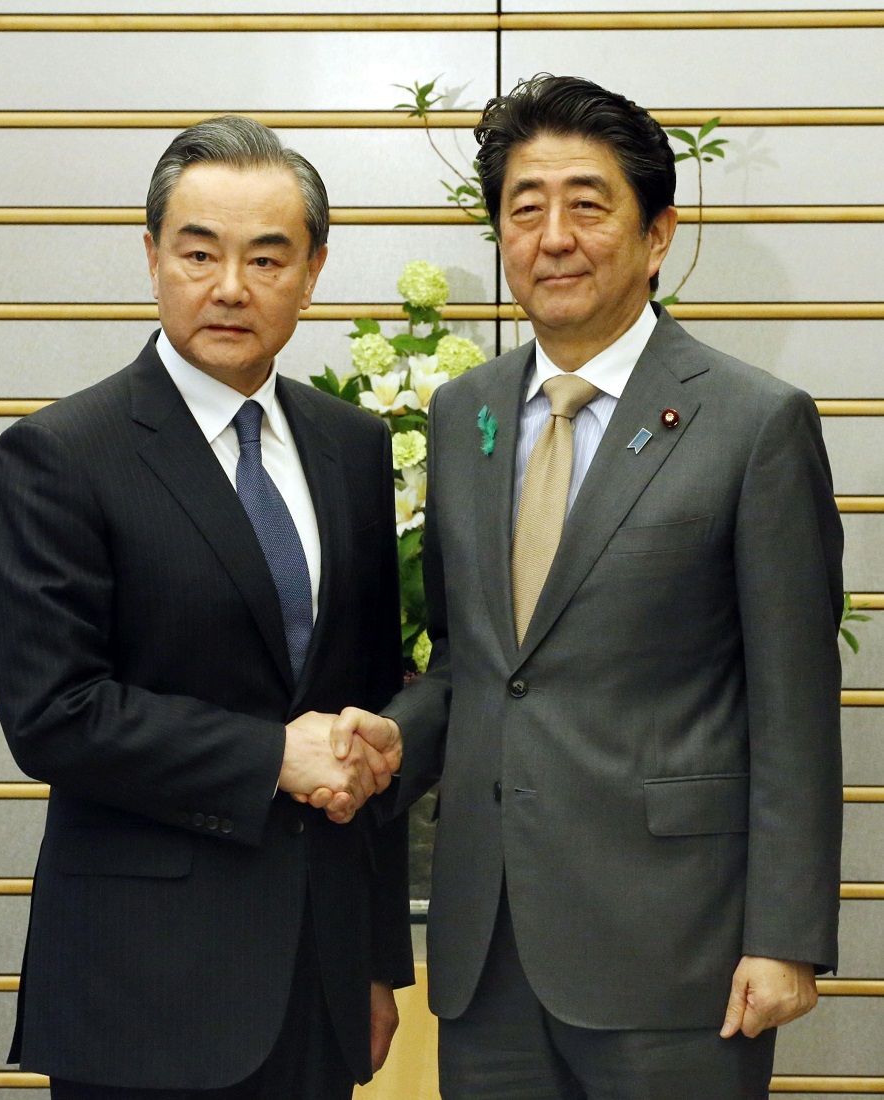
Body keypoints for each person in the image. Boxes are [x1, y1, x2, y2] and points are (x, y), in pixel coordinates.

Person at [328, 75, 844, 1099]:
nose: (553, 237)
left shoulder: (754, 423)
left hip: (679, 955)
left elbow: (793, 702)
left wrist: (785, 937)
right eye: (525, 209)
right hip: (488, 953)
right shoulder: (463, 412)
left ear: (657, 235)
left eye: (587, 204)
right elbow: (480, 665)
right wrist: (389, 739)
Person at [0, 114, 412, 1100]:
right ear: (152, 256)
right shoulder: (62, 454)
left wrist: (379, 959)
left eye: (267, 257)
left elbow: (368, 712)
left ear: (312, 271)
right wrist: (272, 756)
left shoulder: (353, 446)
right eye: (199, 252)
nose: (230, 287)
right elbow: (54, 714)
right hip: (142, 988)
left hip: (318, 980)